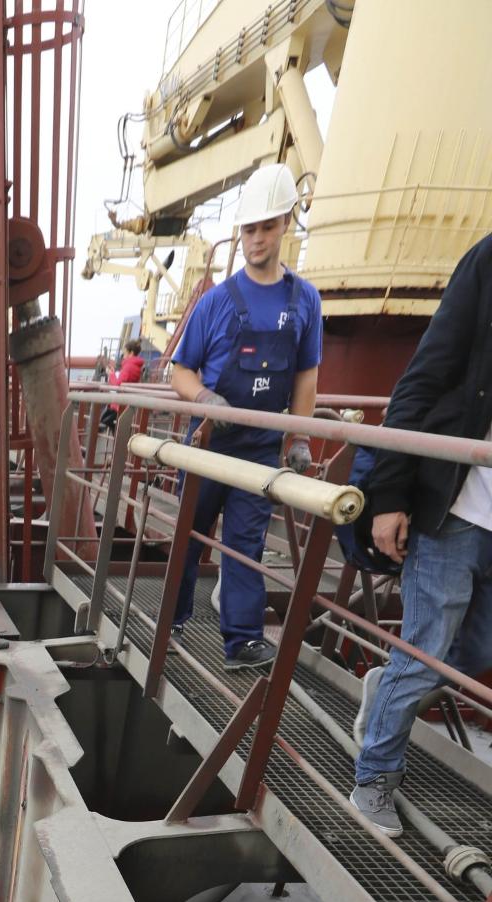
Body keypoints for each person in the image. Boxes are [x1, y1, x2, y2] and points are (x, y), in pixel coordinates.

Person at [350, 232, 492, 835]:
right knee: (427, 649)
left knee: (479, 653)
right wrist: (388, 497)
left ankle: (389, 689)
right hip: (457, 506)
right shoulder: (488, 262)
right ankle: (374, 777)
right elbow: (420, 380)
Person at [169, 164, 323, 667]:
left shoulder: (305, 302)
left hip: (260, 448)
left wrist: (298, 439)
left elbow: (305, 376)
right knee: (188, 536)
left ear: (285, 225)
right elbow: (180, 370)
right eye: (250, 229)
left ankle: (242, 640)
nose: (257, 239)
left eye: (267, 227)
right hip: (208, 445)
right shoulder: (216, 302)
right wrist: (206, 401)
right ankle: (171, 621)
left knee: (244, 545)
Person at [100, 338, 144, 430]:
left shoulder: (128, 367)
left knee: (103, 423)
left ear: (131, 353)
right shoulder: (135, 366)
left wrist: (111, 374)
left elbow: (117, 385)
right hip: (125, 402)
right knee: (114, 426)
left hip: (119, 404)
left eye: (125, 353)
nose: (123, 356)